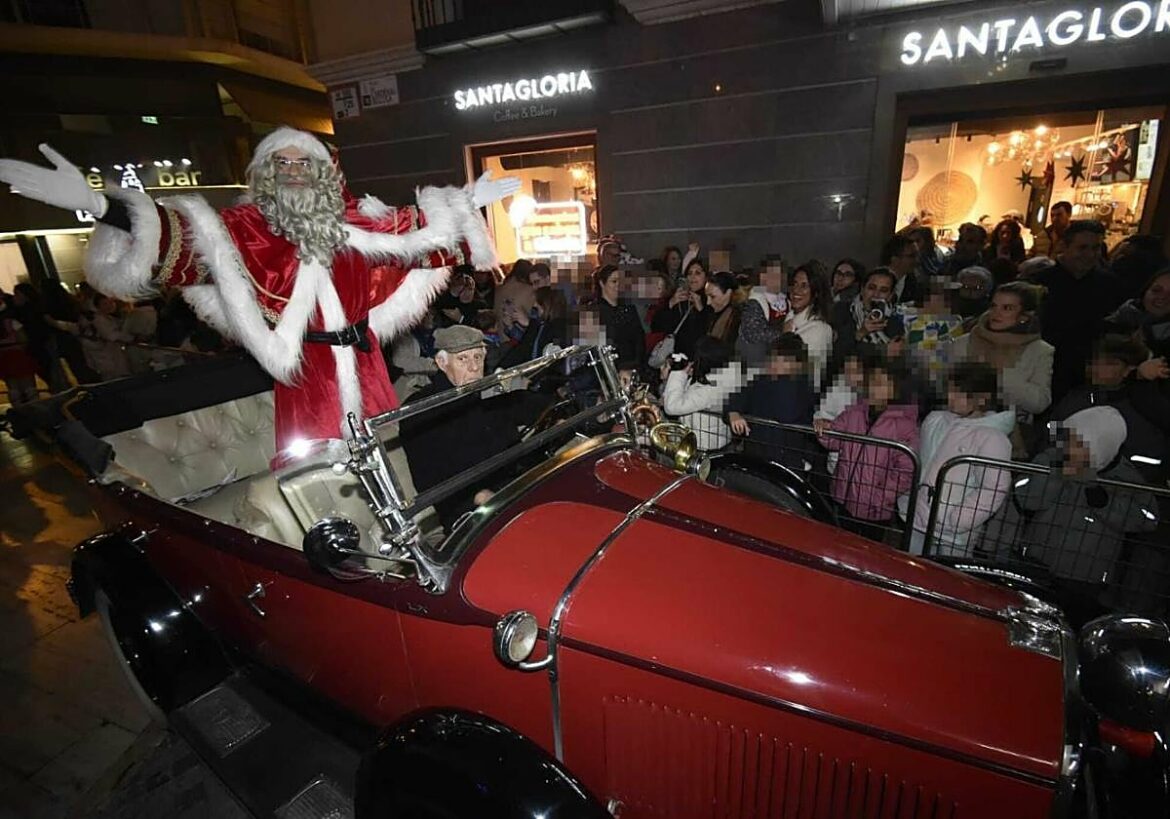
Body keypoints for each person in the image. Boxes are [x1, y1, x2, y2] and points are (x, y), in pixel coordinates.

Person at [0, 130, 518, 451]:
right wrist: (100, 205)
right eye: (282, 163)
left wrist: (469, 199)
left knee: (390, 456)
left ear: (323, 172)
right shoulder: (248, 227)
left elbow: (416, 232)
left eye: (303, 163)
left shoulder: (355, 220)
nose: (293, 172)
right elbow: (185, 241)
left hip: (366, 364)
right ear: (267, 174)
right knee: (321, 469)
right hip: (306, 373)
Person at [399, 325, 551, 530]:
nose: (473, 367)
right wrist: (479, 496)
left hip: (515, 488)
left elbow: (533, 405)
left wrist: (558, 410)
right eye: (463, 359)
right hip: (468, 509)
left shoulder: (490, 392)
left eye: (478, 357)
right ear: (442, 363)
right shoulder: (422, 408)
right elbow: (430, 476)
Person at [1007, 407, 1158, 598]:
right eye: (1068, 439)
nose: (1069, 448)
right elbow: (1025, 496)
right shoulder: (1051, 458)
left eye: (1079, 444)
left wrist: (1105, 503)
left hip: (1085, 577)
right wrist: (1056, 476)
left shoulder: (1125, 478)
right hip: (1034, 560)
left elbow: (1149, 518)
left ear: (1101, 446)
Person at [900, 362, 1014, 556]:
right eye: (951, 391)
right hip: (918, 516)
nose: (951, 398)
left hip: (953, 531)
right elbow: (920, 458)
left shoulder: (992, 438)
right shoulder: (936, 420)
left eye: (959, 394)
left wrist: (959, 519)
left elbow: (993, 488)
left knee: (948, 575)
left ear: (982, 399)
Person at [818, 356, 919, 542]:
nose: (873, 388)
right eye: (872, 382)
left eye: (881, 384)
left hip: (875, 509)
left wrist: (882, 496)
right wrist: (824, 430)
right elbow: (834, 441)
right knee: (839, 543)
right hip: (844, 496)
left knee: (866, 551)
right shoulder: (854, 412)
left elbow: (906, 470)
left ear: (895, 389)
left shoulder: (904, 426)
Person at [1024, 219, 1125, 405]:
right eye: (1082, 248)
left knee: (1070, 424)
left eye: (1095, 248)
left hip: (1087, 375)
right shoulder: (1039, 281)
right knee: (1047, 423)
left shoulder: (1110, 285)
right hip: (1045, 369)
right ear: (1065, 246)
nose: (1090, 255)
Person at [948, 281, 1053, 456]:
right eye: (994, 306)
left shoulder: (1040, 350)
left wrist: (998, 374)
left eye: (1007, 308)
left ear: (1024, 316)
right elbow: (941, 386)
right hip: (957, 431)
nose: (996, 313)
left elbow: (1040, 402)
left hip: (1011, 439)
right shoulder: (964, 343)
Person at [1051, 335, 1166, 484]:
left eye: (1109, 364)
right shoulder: (1076, 398)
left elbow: (1150, 457)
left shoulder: (1144, 406)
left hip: (1124, 487)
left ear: (1129, 369)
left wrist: (1115, 470)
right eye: (1094, 363)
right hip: (1066, 481)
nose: (1097, 368)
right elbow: (1051, 433)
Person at [728, 332, 817, 468]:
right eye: (774, 358)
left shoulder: (804, 388)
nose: (775, 364)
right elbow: (736, 399)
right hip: (757, 457)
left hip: (787, 462)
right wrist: (733, 413)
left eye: (783, 360)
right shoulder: (760, 381)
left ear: (797, 364)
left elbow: (789, 415)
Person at [660, 336, 740, 451]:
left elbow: (672, 407)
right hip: (703, 443)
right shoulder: (713, 379)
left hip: (705, 447)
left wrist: (678, 374)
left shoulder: (711, 388)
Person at [830, 267, 905, 372]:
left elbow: (894, 361)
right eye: (871, 288)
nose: (876, 294)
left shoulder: (894, 323)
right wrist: (861, 333)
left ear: (890, 296)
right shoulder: (841, 311)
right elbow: (837, 352)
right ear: (862, 289)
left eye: (883, 290)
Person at [783, 261, 833, 389]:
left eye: (804, 286)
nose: (796, 290)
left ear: (816, 292)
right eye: (794, 284)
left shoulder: (820, 330)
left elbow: (788, 367)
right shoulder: (789, 317)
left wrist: (786, 337)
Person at [591, 264, 644, 377]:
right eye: (614, 281)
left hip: (633, 368)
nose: (618, 285)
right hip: (609, 372)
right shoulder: (594, 312)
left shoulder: (629, 308)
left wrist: (636, 365)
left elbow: (639, 339)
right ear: (602, 283)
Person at [736, 257, 788, 366]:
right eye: (772, 274)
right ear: (762, 276)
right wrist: (783, 334)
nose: (777, 278)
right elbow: (754, 334)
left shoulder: (785, 300)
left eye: (780, 274)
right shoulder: (754, 301)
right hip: (757, 360)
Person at [0, 293, 39, 405]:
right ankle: (35, 410)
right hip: (18, 354)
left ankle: (19, 412)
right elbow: (23, 337)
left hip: (3, 357)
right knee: (28, 386)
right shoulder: (12, 321)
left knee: (13, 387)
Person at [982, 219, 1026, 286]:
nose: (1005, 236)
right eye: (1002, 233)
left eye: (1008, 233)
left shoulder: (1017, 249)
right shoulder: (989, 250)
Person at [880, 234, 922, 305]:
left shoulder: (915, 285)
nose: (917, 260)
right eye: (912, 256)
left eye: (918, 255)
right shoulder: (873, 280)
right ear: (894, 259)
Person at [704, 271, 743, 346]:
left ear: (728, 293)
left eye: (712, 297)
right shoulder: (712, 313)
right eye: (707, 297)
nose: (708, 302)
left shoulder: (739, 319)